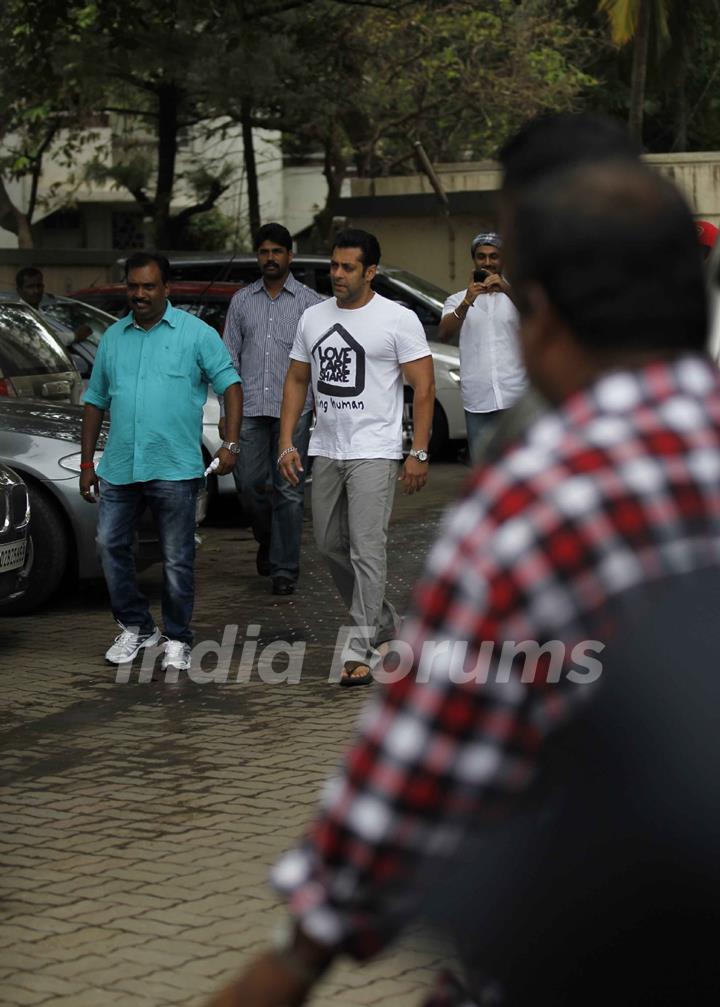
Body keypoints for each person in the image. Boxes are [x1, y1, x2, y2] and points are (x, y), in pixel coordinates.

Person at [205, 159, 720, 1005]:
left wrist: (297, 955)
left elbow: (408, 785)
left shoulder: (532, 505)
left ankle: (366, 635)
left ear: (542, 314)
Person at [277, 228, 435, 686]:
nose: (337, 274)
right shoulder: (312, 317)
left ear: (371, 272)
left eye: (348, 267)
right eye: (333, 265)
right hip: (327, 448)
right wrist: (287, 440)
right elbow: (296, 380)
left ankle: (360, 648)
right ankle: (387, 626)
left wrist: (418, 451)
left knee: (368, 550)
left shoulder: (397, 318)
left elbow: (423, 388)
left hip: (375, 451)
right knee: (328, 544)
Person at [80, 251, 242, 673]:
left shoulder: (196, 334)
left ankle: (177, 637)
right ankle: (137, 626)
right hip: (119, 466)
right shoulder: (113, 337)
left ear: (165, 289)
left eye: (148, 286)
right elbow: (95, 401)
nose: (139, 294)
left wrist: (231, 443)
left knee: (176, 557)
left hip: (175, 468)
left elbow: (231, 384)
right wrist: (85, 464)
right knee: (109, 546)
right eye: (133, 286)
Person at [221, 223, 323, 596]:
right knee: (249, 486)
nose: (270, 258)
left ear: (289, 256)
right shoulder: (242, 301)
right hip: (248, 409)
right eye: (263, 252)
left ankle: (284, 568)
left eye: (277, 251)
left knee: (290, 491)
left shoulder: (311, 304)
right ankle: (268, 541)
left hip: (294, 412)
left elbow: (317, 361)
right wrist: (224, 412)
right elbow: (227, 359)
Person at [438, 233, 526, 464]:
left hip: (515, 397)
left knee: (521, 466)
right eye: (482, 257)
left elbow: (538, 319)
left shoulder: (517, 296)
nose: (487, 262)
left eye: (494, 256)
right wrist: (467, 301)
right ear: (474, 260)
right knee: (484, 470)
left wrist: (506, 289)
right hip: (478, 400)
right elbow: (444, 333)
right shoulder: (457, 299)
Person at [15, 265, 92, 345]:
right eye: (30, 287)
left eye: (39, 286)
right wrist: (75, 336)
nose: (36, 291)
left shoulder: (38, 312)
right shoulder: (21, 315)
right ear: (19, 290)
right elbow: (46, 340)